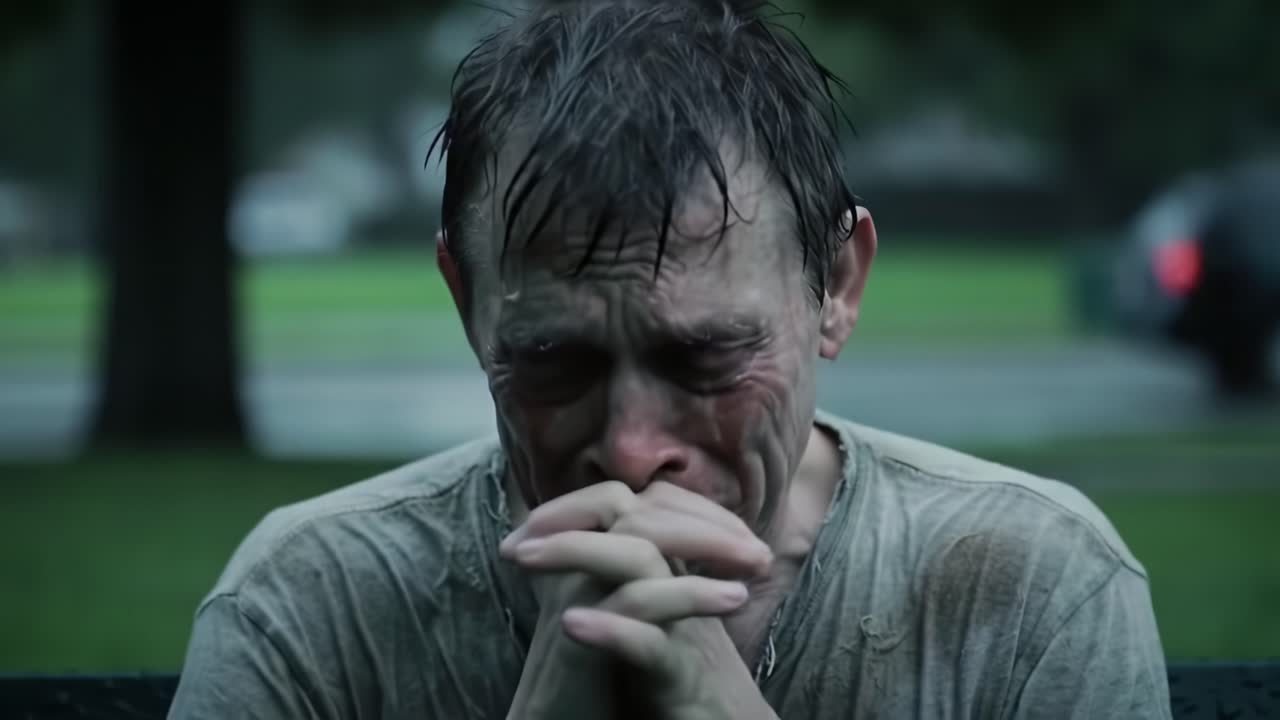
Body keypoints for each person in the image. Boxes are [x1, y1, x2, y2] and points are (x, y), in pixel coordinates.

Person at [169, 1, 1172, 717]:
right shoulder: (307, 603)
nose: (632, 450)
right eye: (555, 362)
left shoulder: (1032, 588)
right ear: (467, 302)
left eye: (704, 359)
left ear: (835, 287)